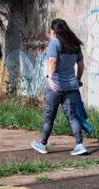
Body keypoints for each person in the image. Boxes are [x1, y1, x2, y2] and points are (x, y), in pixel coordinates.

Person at [30, 18, 87, 156]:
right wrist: (77, 80)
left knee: (49, 117)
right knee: (72, 117)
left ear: (54, 31)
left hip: (55, 87)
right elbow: (80, 65)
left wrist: (49, 78)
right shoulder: (74, 44)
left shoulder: (55, 43)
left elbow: (52, 60)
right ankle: (79, 145)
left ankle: (42, 144)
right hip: (71, 87)